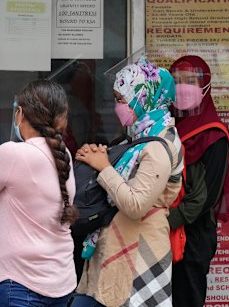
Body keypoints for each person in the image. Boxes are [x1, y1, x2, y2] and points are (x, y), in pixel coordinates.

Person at [71, 58, 183, 307]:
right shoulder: (137, 138)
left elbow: (135, 205)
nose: (117, 106)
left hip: (139, 258)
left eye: (122, 99)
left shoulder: (159, 146)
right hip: (115, 252)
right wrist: (95, 159)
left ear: (144, 97)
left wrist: (104, 167)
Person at [0, 80, 78, 306]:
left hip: (21, 282)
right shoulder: (63, 154)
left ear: (20, 113)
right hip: (62, 279)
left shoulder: (10, 153)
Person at [167, 55, 229, 307]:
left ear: (205, 86)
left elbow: (205, 198)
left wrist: (165, 223)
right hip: (163, 234)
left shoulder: (214, 136)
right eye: (176, 81)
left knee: (187, 298)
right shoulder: (168, 126)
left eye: (191, 80)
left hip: (191, 237)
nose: (183, 87)